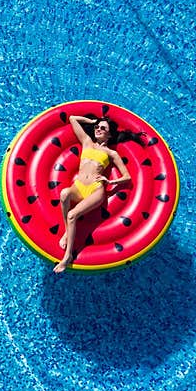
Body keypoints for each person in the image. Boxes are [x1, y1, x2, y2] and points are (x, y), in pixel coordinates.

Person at [53, 115, 145, 274]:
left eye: (103, 128)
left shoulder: (111, 153)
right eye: (98, 127)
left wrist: (109, 182)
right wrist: (93, 122)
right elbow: (72, 119)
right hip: (79, 186)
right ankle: (68, 232)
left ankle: (68, 256)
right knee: (64, 193)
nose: (98, 129)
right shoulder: (87, 141)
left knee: (72, 215)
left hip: (96, 190)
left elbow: (127, 176)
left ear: (109, 135)